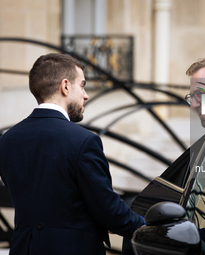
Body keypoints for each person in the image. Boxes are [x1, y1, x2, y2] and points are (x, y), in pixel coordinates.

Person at [0, 53, 144, 255]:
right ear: (65, 86)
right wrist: (147, 228)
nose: (86, 95)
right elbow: (109, 210)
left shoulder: (7, 141)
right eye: (82, 85)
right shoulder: (84, 142)